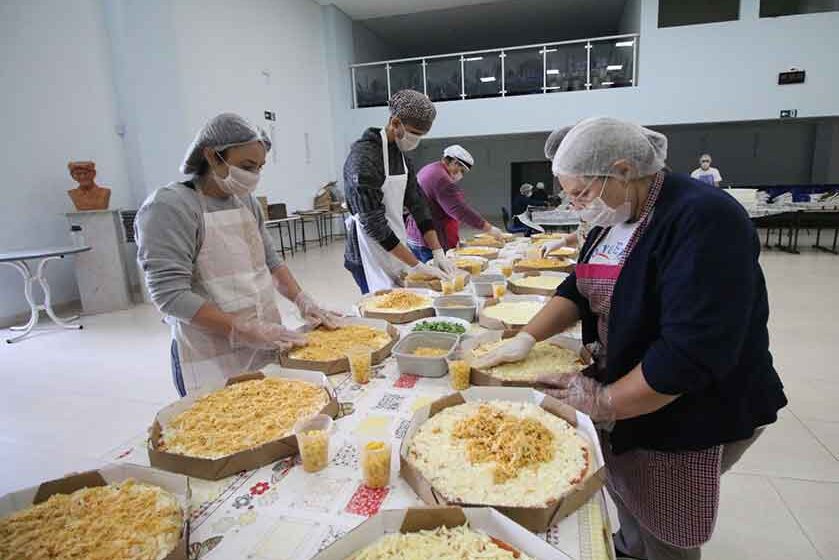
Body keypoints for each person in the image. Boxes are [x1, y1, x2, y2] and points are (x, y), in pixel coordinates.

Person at [475, 117, 787, 560]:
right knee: (630, 497)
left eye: (581, 192)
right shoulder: (614, 215)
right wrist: (526, 337)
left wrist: (606, 402)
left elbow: (690, 353)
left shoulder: (704, 218)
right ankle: (629, 545)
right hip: (634, 391)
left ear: (623, 170)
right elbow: (579, 286)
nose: (576, 204)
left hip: (692, 406)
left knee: (667, 521)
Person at [136, 113, 339, 396]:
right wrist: (240, 329)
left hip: (264, 340)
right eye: (246, 166)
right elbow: (169, 295)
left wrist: (303, 301)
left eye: (259, 167)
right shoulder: (170, 207)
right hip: (208, 349)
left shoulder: (245, 201)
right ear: (212, 156)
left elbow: (271, 262)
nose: (254, 175)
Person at [343, 90, 453, 293]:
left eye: (422, 135)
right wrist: (417, 265)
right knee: (385, 308)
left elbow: (418, 203)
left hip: (395, 247)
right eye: (414, 133)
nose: (416, 139)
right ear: (394, 123)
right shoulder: (363, 159)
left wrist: (437, 252)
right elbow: (373, 225)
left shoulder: (401, 158)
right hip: (368, 252)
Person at [405, 144, 504, 261]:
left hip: (416, 236)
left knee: (426, 275)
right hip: (429, 241)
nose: (460, 175)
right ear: (455, 162)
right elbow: (460, 210)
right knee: (440, 277)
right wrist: (488, 228)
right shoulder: (441, 179)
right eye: (461, 170)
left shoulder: (429, 169)